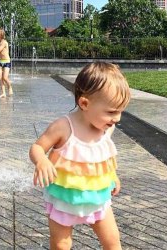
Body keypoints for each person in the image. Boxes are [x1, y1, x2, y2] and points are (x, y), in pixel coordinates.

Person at [29, 62, 131, 250]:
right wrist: (41, 160)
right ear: (84, 103)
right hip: (65, 200)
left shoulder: (105, 127)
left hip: (98, 198)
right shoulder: (63, 127)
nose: (117, 118)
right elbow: (36, 147)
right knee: (61, 244)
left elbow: (103, 156)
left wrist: (112, 176)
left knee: (112, 242)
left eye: (120, 111)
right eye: (111, 112)